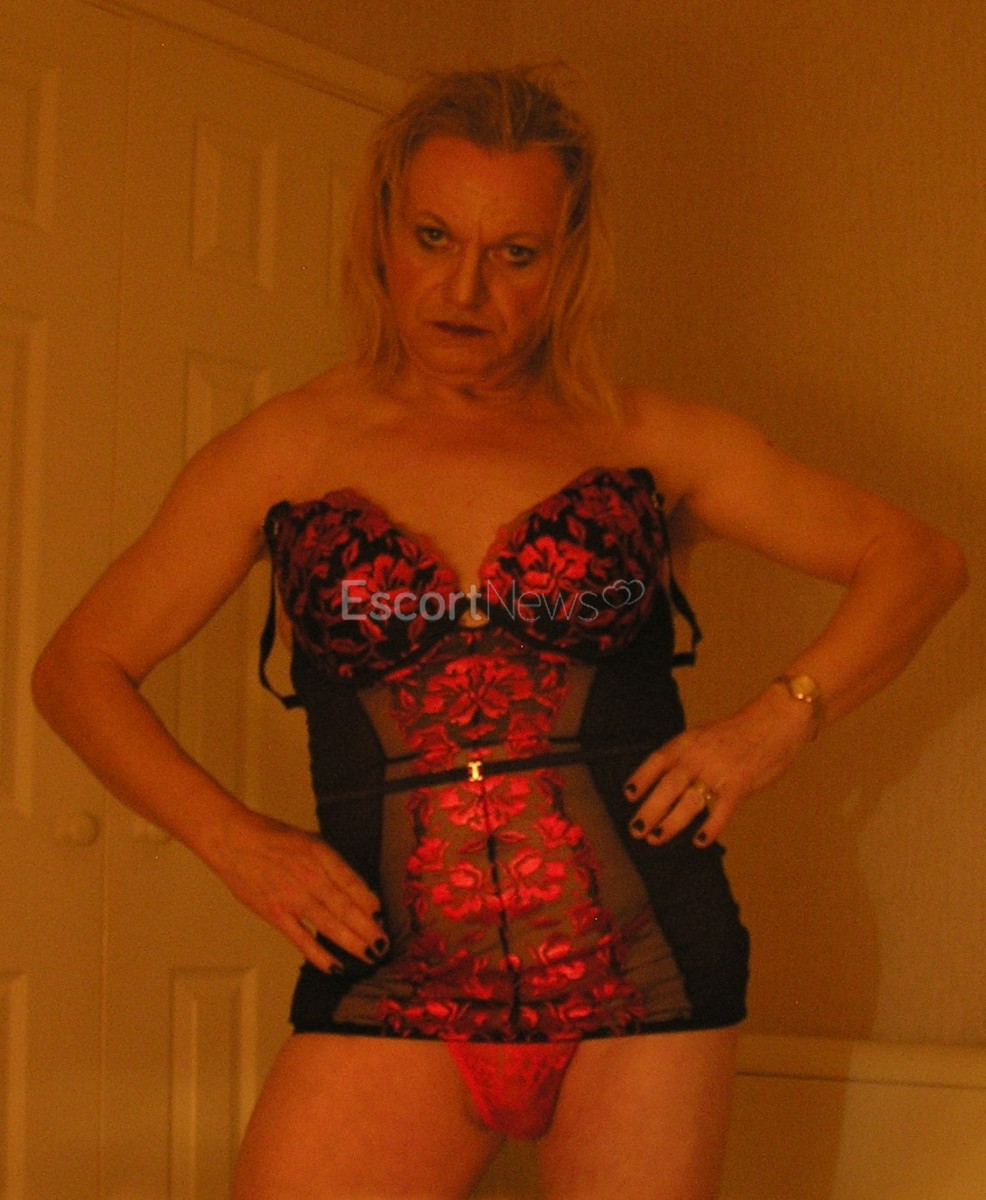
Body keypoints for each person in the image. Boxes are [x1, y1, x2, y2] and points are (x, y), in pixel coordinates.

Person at [33, 65, 966, 1200]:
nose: (464, 288)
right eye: (434, 237)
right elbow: (78, 669)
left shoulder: (648, 439)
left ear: (566, 261)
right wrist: (235, 842)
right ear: (383, 232)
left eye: (514, 253)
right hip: (391, 976)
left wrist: (774, 723)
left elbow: (916, 560)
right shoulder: (285, 449)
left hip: (649, 964)